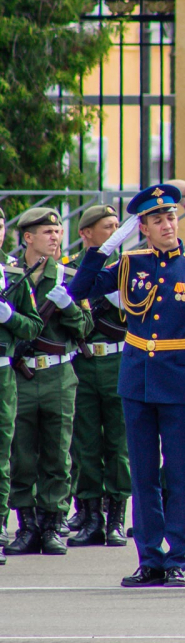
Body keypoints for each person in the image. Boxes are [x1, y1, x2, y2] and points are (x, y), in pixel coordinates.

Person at [67, 184, 185, 588]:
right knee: (144, 475)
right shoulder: (129, 264)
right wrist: (100, 251)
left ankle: (178, 557)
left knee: (181, 475)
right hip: (137, 380)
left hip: (180, 382)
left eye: (171, 216)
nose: (168, 224)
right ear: (144, 228)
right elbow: (79, 291)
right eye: (157, 220)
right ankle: (150, 557)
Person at [3, 208, 92, 557]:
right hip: (22, 373)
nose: (55, 237)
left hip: (58, 374)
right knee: (21, 453)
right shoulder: (10, 276)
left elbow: (84, 327)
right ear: (27, 237)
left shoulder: (68, 276)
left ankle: (53, 524)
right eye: (47, 232)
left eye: (57, 231)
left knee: (58, 453)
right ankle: (27, 525)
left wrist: (68, 305)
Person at [65, 204, 131, 549]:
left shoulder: (126, 269)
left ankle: (116, 518)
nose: (115, 232)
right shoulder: (70, 272)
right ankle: (90, 516)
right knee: (85, 444)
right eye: (108, 226)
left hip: (119, 363)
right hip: (83, 363)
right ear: (86, 233)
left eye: (118, 225)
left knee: (118, 445)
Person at [0, 240, 42, 559]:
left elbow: (32, 327)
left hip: (2, 373)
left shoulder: (14, 275)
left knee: (2, 455)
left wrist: (9, 317)